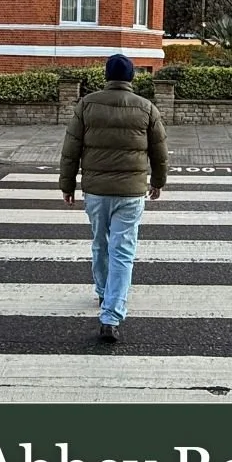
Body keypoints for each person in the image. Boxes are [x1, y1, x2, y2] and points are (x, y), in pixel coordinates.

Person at [58, 53, 168, 344]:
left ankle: (103, 292)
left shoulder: (87, 105)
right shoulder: (146, 108)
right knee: (123, 250)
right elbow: (159, 152)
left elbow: (71, 149)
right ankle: (112, 314)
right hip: (131, 192)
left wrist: (67, 185)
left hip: (95, 190)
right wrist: (158, 182)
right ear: (131, 77)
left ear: (106, 76)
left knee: (100, 243)